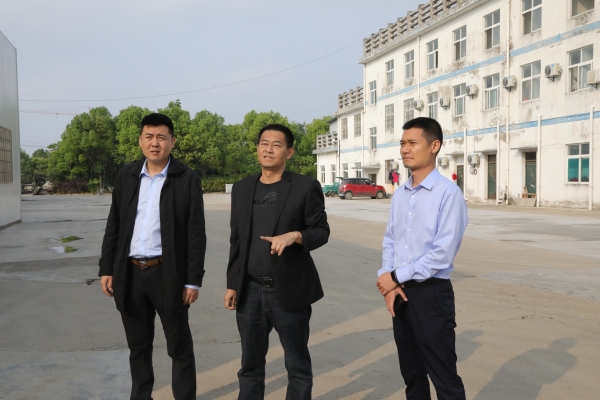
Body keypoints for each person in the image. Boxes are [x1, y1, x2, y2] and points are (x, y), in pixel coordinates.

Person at [99, 113, 206, 400]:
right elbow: (114, 224)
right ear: (140, 141)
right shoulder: (128, 175)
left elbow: (196, 234)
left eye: (161, 137)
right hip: (130, 273)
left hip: (168, 274)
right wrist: (107, 268)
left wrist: (192, 280)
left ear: (172, 141)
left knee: (179, 347)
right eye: (149, 137)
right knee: (138, 347)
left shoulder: (186, 178)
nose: (154, 143)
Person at [224, 123, 330, 400]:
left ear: (289, 152)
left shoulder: (305, 187)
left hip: (289, 291)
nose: (269, 149)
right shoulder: (242, 188)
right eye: (264, 143)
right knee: (250, 367)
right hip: (249, 292)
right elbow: (237, 240)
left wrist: (295, 235)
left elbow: (321, 231)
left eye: (277, 144)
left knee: (297, 366)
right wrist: (233, 284)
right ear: (257, 148)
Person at [376, 117, 468, 400]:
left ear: (434, 146)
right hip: (400, 293)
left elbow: (441, 254)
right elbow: (391, 240)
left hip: (431, 294)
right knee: (412, 375)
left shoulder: (448, 194)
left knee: (443, 376)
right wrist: (388, 278)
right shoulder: (401, 194)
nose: (405, 149)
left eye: (412, 143)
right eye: (402, 143)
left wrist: (394, 277)